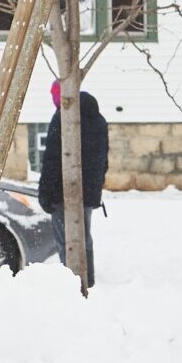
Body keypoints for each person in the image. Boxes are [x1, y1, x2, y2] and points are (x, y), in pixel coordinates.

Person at [39, 80, 110, 287]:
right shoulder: (98, 119)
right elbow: (103, 159)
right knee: (83, 237)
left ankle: (73, 284)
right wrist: (94, 189)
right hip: (87, 193)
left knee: (66, 241)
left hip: (62, 193)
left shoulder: (62, 117)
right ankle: (88, 280)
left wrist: (45, 193)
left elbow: (52, 159)